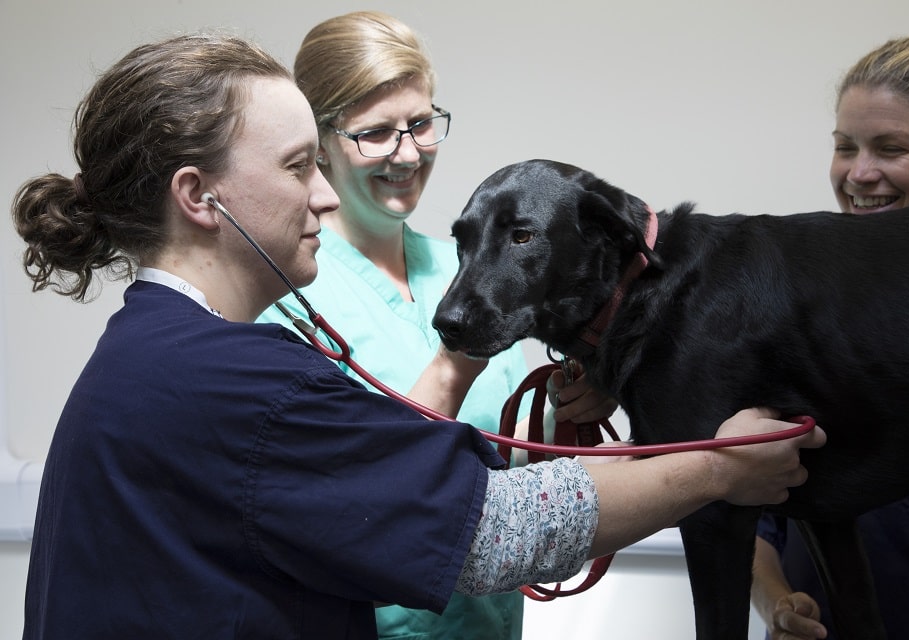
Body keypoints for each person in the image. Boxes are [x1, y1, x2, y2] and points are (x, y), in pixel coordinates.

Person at [12, 32, 825, 640]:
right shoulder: (236, 381)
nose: (325, 197)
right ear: (200, 197)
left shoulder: (149, 351)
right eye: (298, 165)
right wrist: (720, 465)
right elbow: (494, 530)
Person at [259, 12, 617, 638]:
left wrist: (572, 406)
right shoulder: (285, 300)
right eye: (375, 133)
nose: (407, 153)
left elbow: (503, 456)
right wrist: (456, 363)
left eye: (421, 124)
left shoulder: (467, 267)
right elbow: (367, 496)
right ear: (319, 143)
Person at [750, 34, 909, 640]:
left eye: (891, 148)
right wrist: (779, 605)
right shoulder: (790, 310)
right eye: (846, 147)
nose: (859, 173)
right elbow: (755, 519)